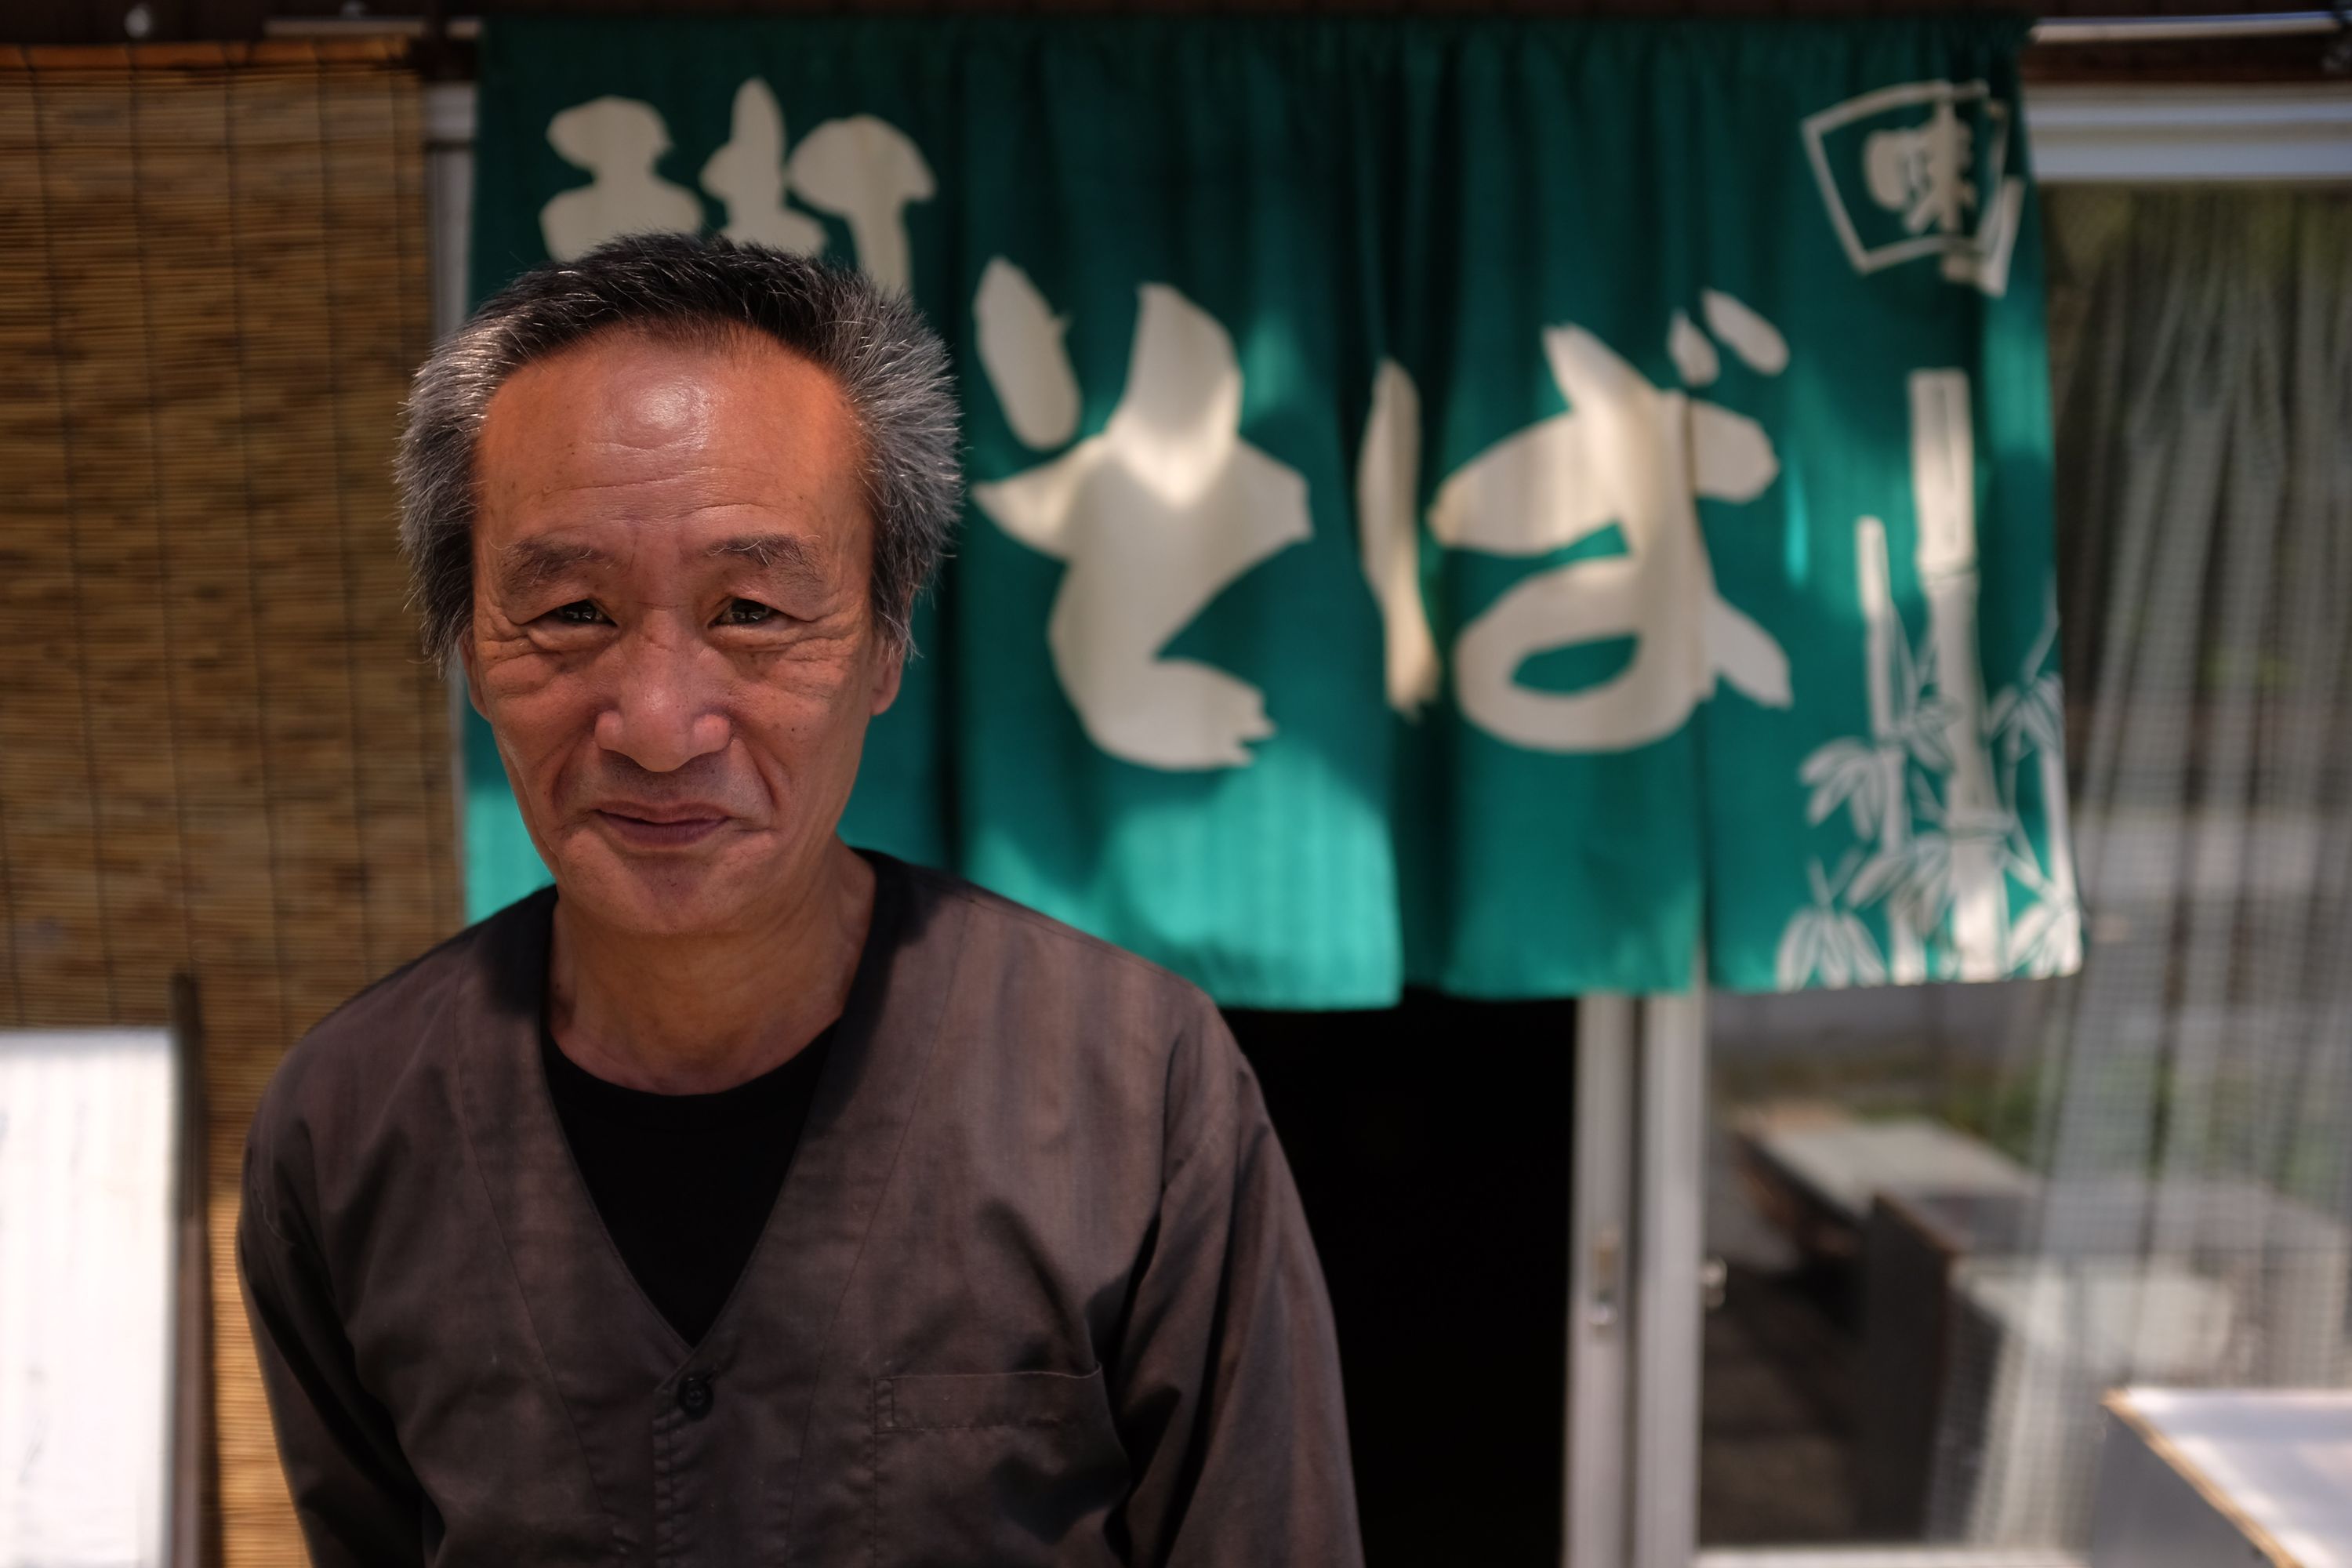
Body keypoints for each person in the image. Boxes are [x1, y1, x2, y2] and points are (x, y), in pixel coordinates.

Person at [237, 233, 1363, 1567]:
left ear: (887, 645)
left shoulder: (1139, 1088)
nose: (659, 723)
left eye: (755, 610)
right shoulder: (349, 1124)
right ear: (469, 650)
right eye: (574, 611)